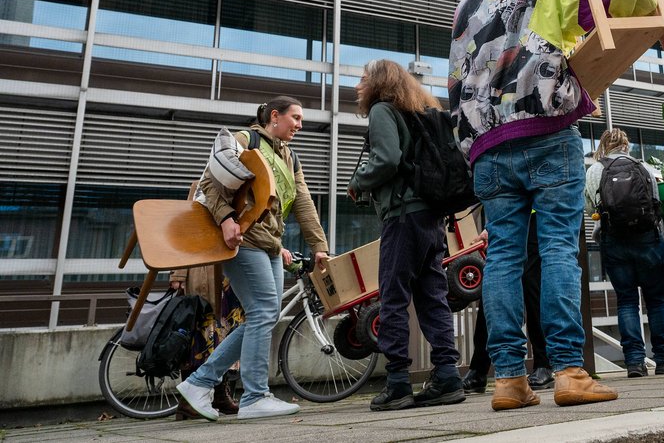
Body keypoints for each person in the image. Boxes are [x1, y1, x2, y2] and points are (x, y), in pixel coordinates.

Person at [448, 0, 664, 411]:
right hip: (547, 130)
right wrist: (662, 22)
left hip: (487, 143)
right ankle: (569, 372)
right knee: (556, 249)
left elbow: (456, 84)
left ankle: (509, 380)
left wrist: (471, 147)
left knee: (503, 257)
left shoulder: (464, 9)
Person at [177, 96, 330, 421]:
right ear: (275, 115)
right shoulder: (247, 140)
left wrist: (319, 245)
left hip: (270, 243)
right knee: (262, 311)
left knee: (265, 315)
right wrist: (226, 219)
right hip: (244, 239)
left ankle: (199, 383)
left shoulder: (290, 157)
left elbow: (303, 201)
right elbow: (209, 181)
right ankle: (255, 396)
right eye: (296, 118)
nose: (300, 125)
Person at [348, 59, 464, 411]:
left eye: (363, 80)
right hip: (430, 217)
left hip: (403, 217)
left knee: (393, 296)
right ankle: (447, 375)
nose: (358, 86)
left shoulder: (382, 110)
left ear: (378, 83)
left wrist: (358, 181)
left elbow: (387, 159)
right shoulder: (418, 111)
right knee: (432, 296)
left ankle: (398, 382)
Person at [585, 128, 664, 378]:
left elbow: (590, 209)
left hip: (614, 241)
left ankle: (634, 363)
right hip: (647, 240)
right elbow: (656, 206)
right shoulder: (644, 168)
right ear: (626, 145)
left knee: (627, 301)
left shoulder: (595, 170)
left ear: (604, 146)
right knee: (656, 301)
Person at [462, 218, 553, 394]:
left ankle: (544, 364)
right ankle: (478, 369)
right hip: (506, 218)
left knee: (532, 287)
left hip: (535, 218)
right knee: (494, 289)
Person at [170, 266, 242, 419]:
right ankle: (187, 402)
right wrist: (178, 274)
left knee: (225, 333)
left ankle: (220, 396)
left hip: (226, 272)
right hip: (202, 271)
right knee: (200, 336)